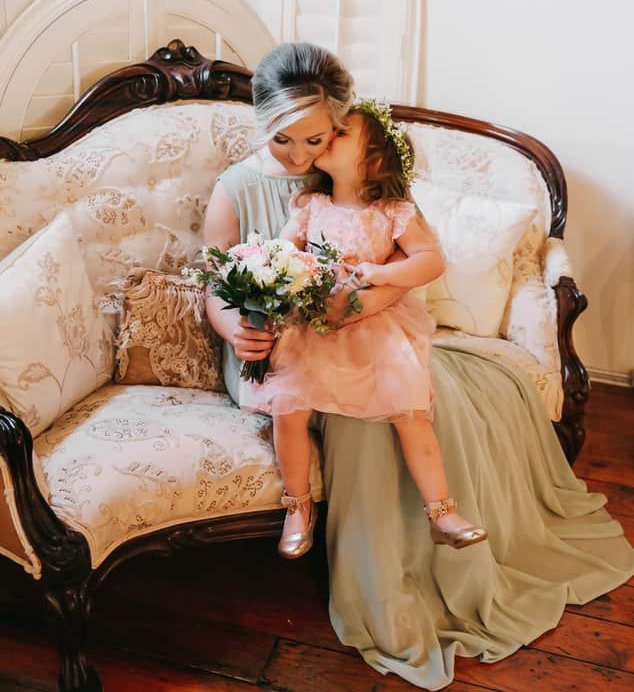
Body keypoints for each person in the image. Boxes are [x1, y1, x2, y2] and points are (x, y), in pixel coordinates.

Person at [204, 41, 633, 690]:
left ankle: (425, 564)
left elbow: (407, 268)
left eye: (316, 139)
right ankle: (356, 563)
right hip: (274, 346)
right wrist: (234, 327)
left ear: (341, 126)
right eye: (283, 139)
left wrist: (355, 304)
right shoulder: (238, 188)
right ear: (261, 122)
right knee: (351, 414)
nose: (299, 156)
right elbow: (217, 281)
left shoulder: (367, 182)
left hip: (364, 331)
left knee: (408, 406)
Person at [242, 100, 488, 558]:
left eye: (341, 133)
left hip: (377, 323)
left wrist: (383, 273)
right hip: (314, 324)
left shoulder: (394, 211)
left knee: (410, 410)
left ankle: (442, 512)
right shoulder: (310, 206)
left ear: (374, 158)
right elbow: (282, 253)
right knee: (289, 408)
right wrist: (277, 275)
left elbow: (430, 261)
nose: (327, 138)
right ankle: (297, 506)